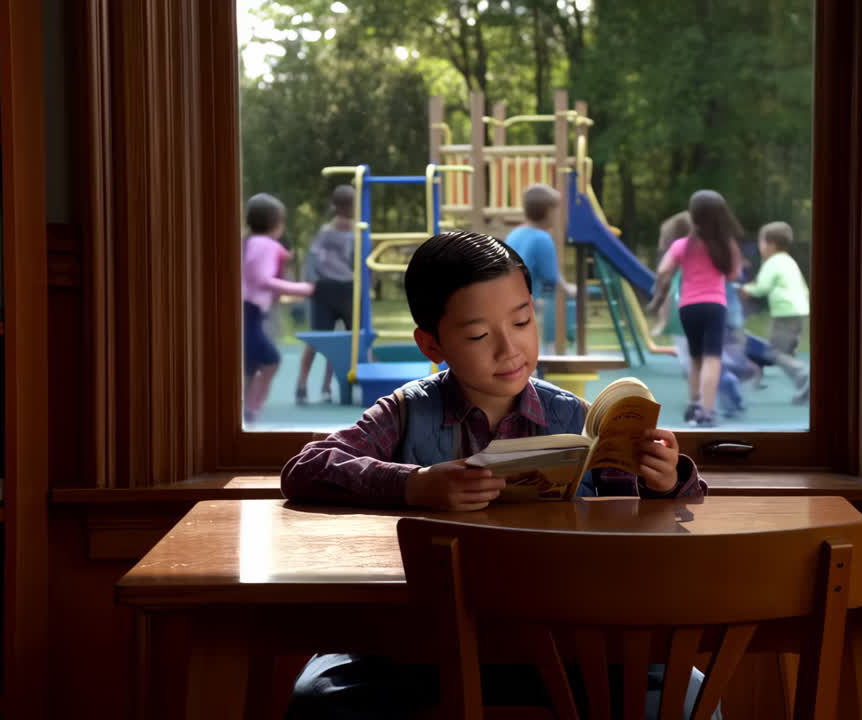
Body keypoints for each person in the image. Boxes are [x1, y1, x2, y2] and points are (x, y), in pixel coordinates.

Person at [280, 230, 715, 719]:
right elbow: (306, 468)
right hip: (421, 643)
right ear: (432, 343)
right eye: (478, 335)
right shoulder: (405, 412)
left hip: (568, 639)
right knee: (318, 699)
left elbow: (651, 515)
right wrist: (416, 483)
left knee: (687, 694)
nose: (510, 348)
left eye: (523, 320)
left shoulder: (575, 418)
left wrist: (667, 479)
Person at [652, 190, 745, 428]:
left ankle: (693, 404)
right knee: (712, 358)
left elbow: (663, 270)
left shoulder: (682, 245)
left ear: (693, 216)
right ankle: (707, 410)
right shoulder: (726, 246)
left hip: (688, 307)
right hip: (715, 306)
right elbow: (734, 274)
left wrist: (667, 282)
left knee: (695, 358)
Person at [242, 193, 314, 423]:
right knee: (271, 360)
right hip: (250, 311)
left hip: (247, 310)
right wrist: (301, 289)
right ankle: (252, 408)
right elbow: (262, 279)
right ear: (277, 224)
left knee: (251, 365)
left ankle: (247, 408)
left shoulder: (249, 242)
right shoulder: (267, 245)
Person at [295, 184, 357, 406]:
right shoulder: (355, 232)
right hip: (347, 288)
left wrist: (310, 283)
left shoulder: (324, 231)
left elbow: (312, 259)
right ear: (350, 205)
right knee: (344, 340)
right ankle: (325, 386)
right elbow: (358, 261)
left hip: (324, 289)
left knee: (319, 338)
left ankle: (302, 385)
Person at [741, 221, 810, 405]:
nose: (759, 246)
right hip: (799, 311)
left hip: (784, 313)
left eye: (761, 242)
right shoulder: (789, 261)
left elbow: (761, 288)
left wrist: (745, 289)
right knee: (788, 353)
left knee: (775, 353)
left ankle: (806, 375)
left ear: (770, 244)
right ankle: (805, 389)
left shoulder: (772, 262)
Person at [504, 184, 577, 349]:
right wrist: (568, 288)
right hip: (526, 303)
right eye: (556, 211)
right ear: (548, 211)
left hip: (506, 301)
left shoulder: (514, 234)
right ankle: (549, 350)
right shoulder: (542, 238)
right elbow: (551, 276)